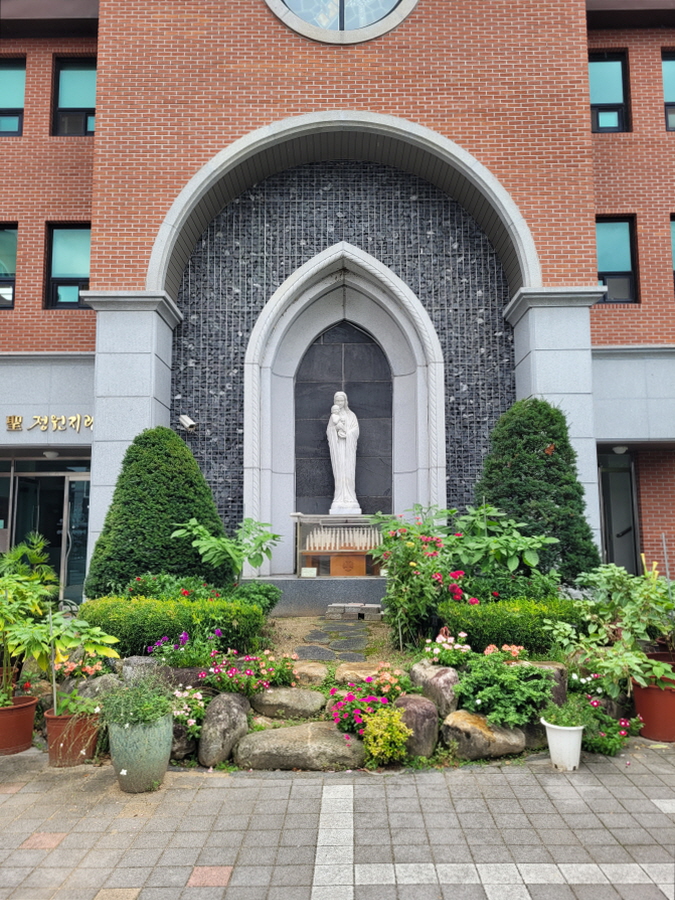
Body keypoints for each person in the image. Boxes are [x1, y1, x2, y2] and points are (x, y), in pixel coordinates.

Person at [326, 391, 361, 514]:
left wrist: (348, 434)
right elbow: (329, 431)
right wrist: (335, 429)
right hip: (338, 448)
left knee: (348, 471)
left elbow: (356, 431)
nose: (339, 403)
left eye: (341, 400)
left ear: (345, 401)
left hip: (348, 448)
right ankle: (339, 497)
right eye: (337, 401)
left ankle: (350, 497)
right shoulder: (333, 417)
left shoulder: (351, 415)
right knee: (339, 471)